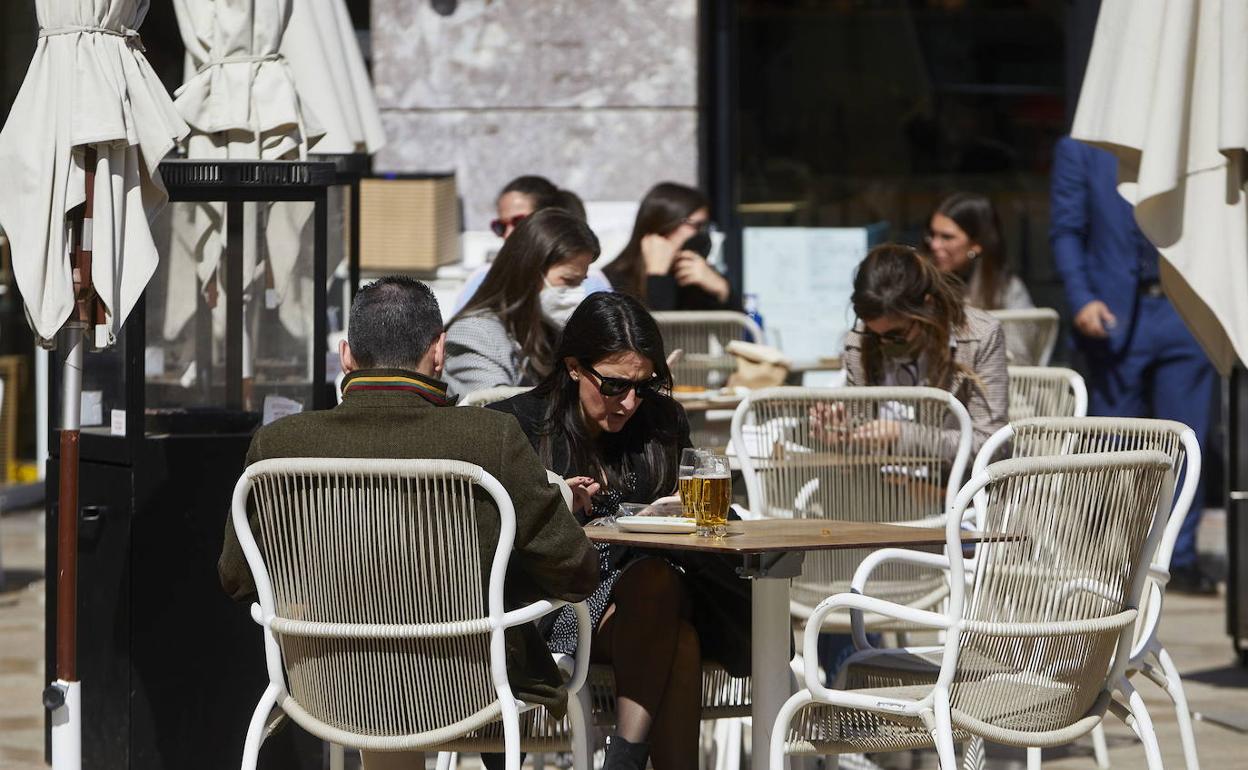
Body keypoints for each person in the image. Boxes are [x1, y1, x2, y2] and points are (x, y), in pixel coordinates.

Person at [217, 277, 599, 769]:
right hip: (464, 689)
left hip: (328, 686)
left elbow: (236, 577)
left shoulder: (279, 445)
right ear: (438, 350)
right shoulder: (491, 438)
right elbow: (575, 570)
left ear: (346, 355)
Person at [489, 292, 750, 770]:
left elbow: (703, 520)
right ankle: (625, 761)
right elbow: (490, 541)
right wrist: (554, 503)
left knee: (656, 579)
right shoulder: (516, 426)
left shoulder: (660, 421)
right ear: (573, 367)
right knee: (682, 641)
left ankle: (624, 759)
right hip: (557, 608)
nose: (629, 402)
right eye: (613, 386)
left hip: (656, 592)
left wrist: (673, 514)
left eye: (643, 386)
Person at [1050, 135, 1217, 593]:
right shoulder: (1082, 145)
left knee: (1186, 444)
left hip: (1185, 313)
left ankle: (1177, 560)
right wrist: (1081, 297)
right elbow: (1066, 229)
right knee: (1113, 446)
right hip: (1113, 312)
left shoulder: (1188, 130)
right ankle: (1110, 561)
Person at [842, 243, 1009, 461]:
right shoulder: (860, 341)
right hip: (879, 485)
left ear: (927, 306)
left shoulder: (979, 337)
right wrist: (840, 434)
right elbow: (860, 445)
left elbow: (992, 446)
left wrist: (902, 435)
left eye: (896, 335)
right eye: (874, 334)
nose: (883, 343)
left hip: (953, 486)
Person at [445, 208, 601, 395]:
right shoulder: (475, 333)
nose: (577, 292)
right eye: (568, 280)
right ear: (529, 272)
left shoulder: (553, 331)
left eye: (581, 282)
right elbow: (493, 410)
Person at [453, 175, 611, 314]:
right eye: (500, 226)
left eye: (518, 222)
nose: (508, 234)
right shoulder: (482, 278)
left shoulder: (592, 281)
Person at [603, 182, 737, 311]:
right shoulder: (612, 282)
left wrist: (722, 289)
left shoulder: (695, 278)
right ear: (664, 224)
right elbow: (656, 328)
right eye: (696, 225)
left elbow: (741, 329)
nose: (701, 234)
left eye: (704, 226)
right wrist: (657, 277)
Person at [925, 192, 1033, 310]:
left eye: (947, 237)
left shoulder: (1007, 290)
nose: (934, 245)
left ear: (976, 244)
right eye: (932, 234)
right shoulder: (922, 283)